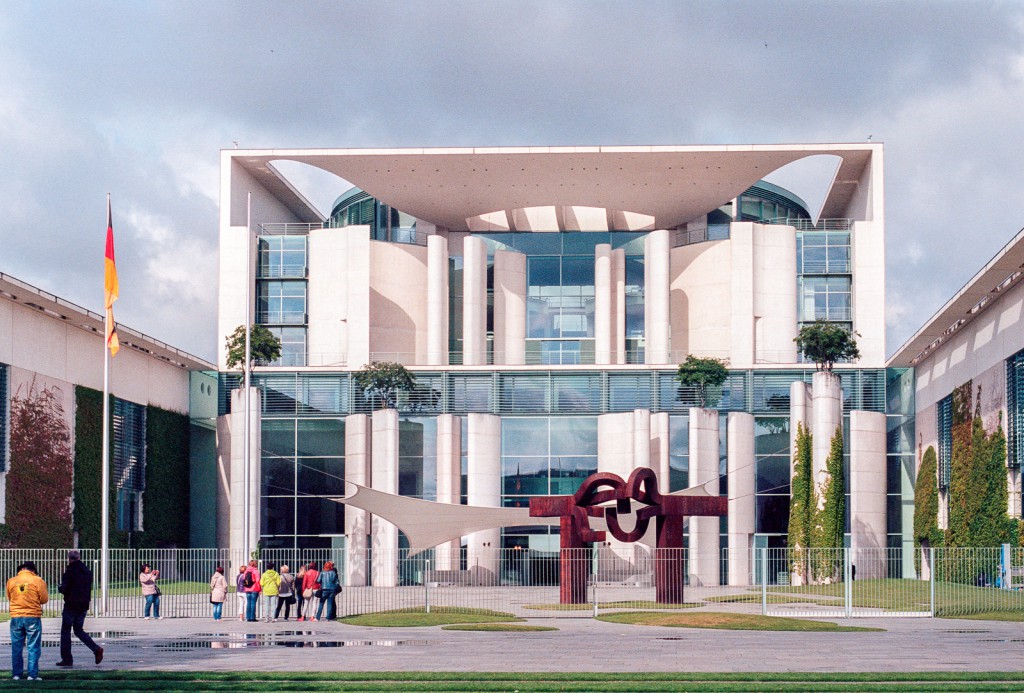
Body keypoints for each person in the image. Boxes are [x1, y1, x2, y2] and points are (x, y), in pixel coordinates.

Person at [56, 550, 103, 667]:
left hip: (71, 604)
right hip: (83, 605)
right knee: (78, 630)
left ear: (69, 558)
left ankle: (67, 659)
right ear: (79, 558)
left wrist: (60, 588)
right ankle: (96, 649)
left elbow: (65, 589)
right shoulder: (87, 571)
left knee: (66, 632)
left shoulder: (69, 572)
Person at [7, 561, 48, 681]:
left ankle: (16, 674)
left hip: (16, 616)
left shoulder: (11, 581)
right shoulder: (38, 580)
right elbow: (44, 599)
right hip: (32, 616)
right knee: (33, 646)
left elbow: (9, 597)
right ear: (33, 571)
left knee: (16, 647)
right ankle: (32, 675)